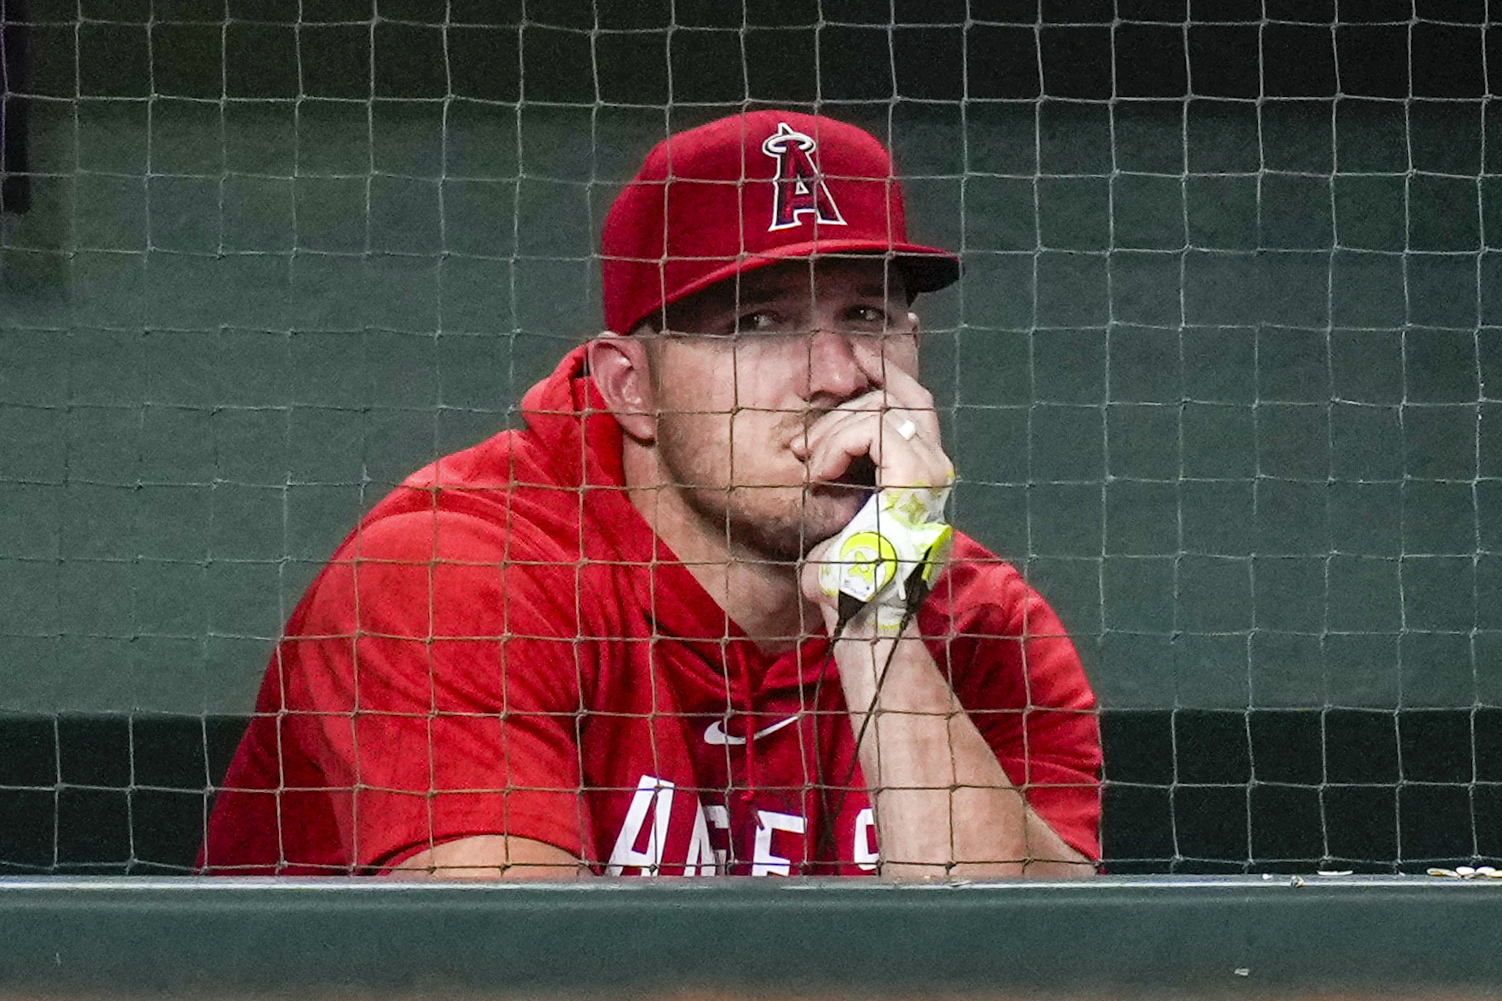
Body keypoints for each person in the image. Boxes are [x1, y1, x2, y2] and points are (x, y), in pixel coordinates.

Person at [200, 110, 1102, 879]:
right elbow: (516, 974)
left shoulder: (984, 628)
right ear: (631, 385)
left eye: (867, 315)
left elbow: (1045, 971)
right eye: (760, 322)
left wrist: (874, 613)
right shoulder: (452, 581)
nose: (836, 375)